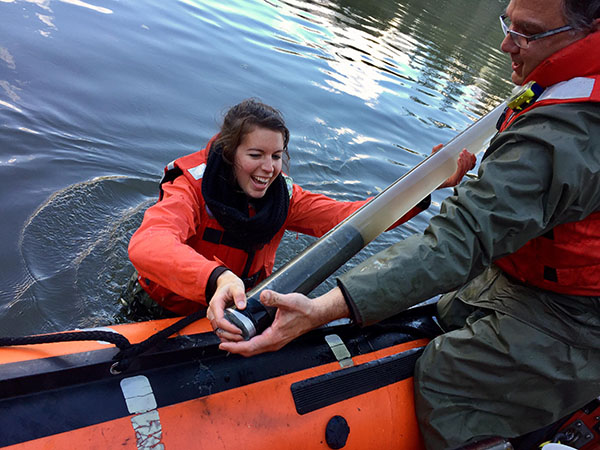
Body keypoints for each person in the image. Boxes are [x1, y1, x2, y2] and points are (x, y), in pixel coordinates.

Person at [210, 1, 600, 448]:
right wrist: (215, 275)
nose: (506, 44)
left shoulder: (568, 133)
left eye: (528, 33)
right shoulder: (560, 90)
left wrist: (324, 307)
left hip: (574, 314)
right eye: (507, 24)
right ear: (227, 154)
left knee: (445, 378)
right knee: (444, 309)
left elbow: (454, 234)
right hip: (526, 282)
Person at [125, 98, 474, 319]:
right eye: (255, 155)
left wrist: (428, 184)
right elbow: (149, 244)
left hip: (243, 308)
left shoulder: (285, 197)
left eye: (276, 156)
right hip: (163, 309)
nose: (268, 168)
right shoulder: (189, 187)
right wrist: (217, 278)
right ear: (231, 153)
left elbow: (349, 218)